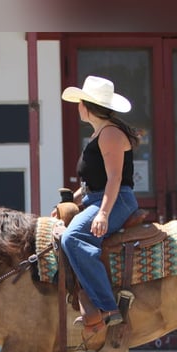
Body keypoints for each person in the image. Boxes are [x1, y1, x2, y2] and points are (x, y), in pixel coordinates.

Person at [59, 75, 141, 338]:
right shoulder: (99, 133)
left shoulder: (110, 134)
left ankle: (107, 307)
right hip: (99, 197)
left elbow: (115, 178)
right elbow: (94, 181)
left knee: (73, 238)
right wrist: (73, 199)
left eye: (79, 102)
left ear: (86, 105)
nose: (77, 107)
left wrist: (103, 213)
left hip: (117, 200)